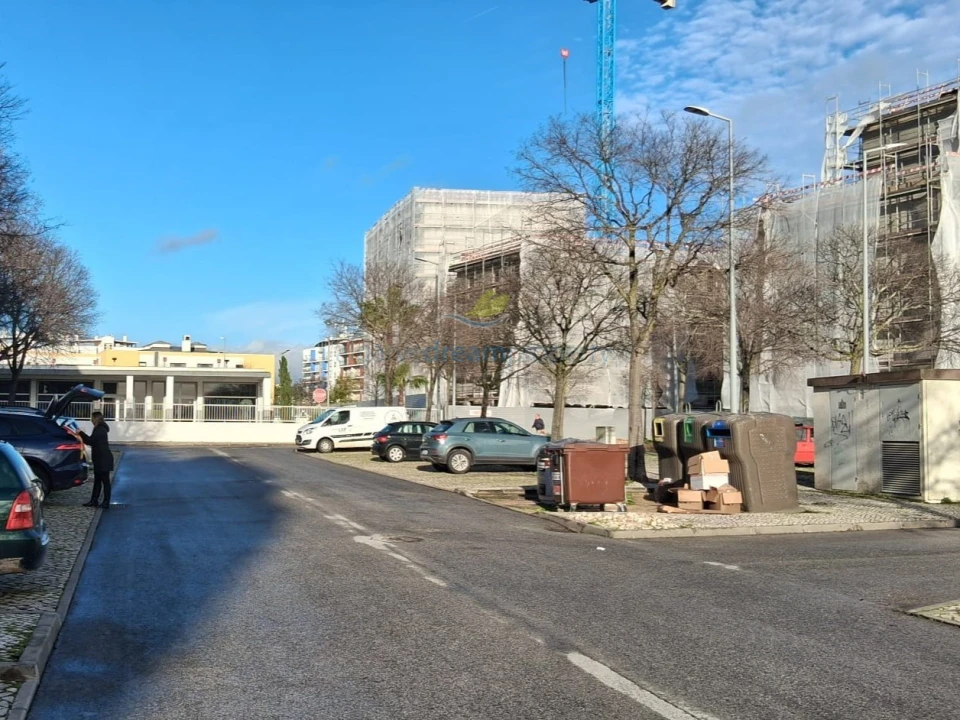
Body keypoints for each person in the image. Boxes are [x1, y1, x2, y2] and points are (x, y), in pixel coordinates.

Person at [80, 411, 114, 509]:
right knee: (98, 481)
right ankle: (94, 500)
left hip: (103, 459)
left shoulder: (99, 429)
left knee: (104, 481)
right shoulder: (101, 429)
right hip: (101, 459)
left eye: (92, 418)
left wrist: (80, 433)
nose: (91, 420)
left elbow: (91, 441)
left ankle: (105, 502)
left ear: (96, 418)